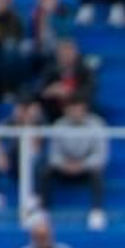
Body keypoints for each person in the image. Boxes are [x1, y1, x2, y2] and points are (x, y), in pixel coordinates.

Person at [36, 97, 109, 231]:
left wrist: (82, 165)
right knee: (45, 171)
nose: (76, 113)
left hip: (86, 169)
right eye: (72, 109)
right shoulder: (58, 125)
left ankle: (96, 213)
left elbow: (101, 155)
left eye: (78, 109)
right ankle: (42, 212)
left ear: (85, 109)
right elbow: (53, 155)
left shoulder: (97, 124)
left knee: (97, 173)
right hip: (64, 168)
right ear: (66, 110)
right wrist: (65, 165)